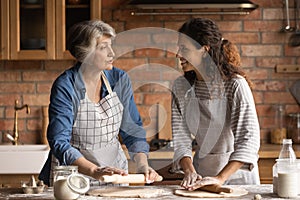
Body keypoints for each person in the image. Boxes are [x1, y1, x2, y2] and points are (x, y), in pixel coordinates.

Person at [39, 20, 159, 186]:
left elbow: (132, 131)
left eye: (111, 46)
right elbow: (59, 141)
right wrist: (94, 171)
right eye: (103, 48)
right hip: (74, 176)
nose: (112, 53)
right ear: (84, 53)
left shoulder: (119, 80)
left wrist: (142, 165)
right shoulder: (66, 86)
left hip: (114, 173)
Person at [171, 17, 260, 191]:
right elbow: (181, 139)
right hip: (202, 177)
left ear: (204, 50)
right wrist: (190, 172)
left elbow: (248, 140)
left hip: (238, 178)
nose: (178, 55)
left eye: (184, 49)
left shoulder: (235, 85)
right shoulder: (181, 88)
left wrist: (220, 178)